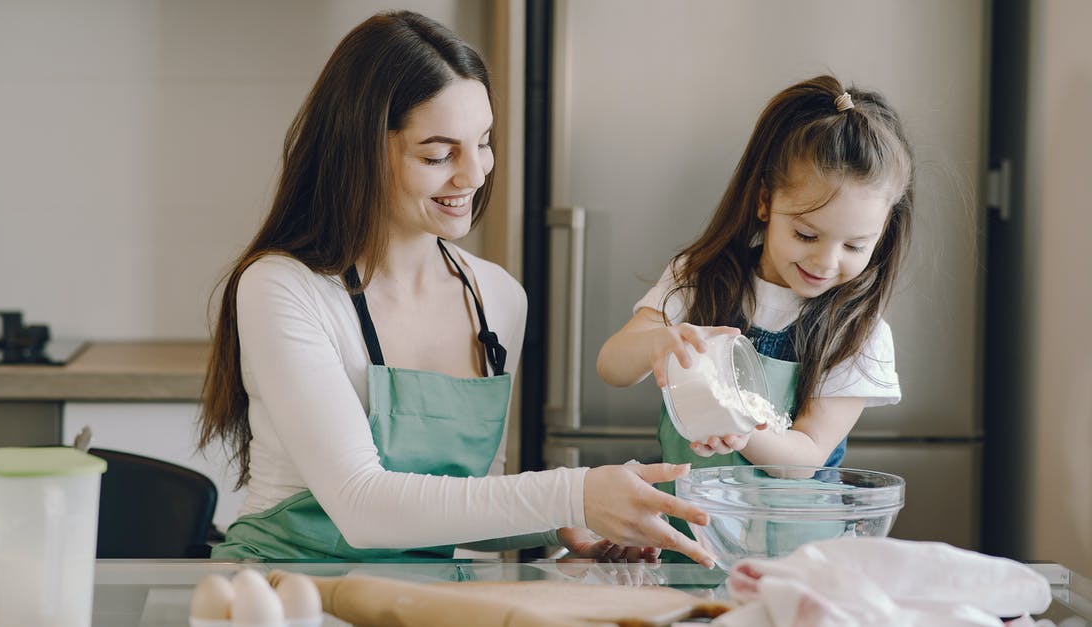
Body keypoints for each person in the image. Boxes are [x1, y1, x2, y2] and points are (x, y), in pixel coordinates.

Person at [197, 10, 714, 566]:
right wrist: (574, 493)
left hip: (418, 598)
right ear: (362, 149)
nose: (474, 174)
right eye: (439, 154)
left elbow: (462, 507)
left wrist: (570, 520)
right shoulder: (283, 288)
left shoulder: (497, 299)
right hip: (282, 593)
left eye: (483, 143)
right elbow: (362, 506)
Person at [597, 75, 913, 547]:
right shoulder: (699, 279)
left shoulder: (860, 333)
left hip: (796, 556)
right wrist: (654, 343)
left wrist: (736, 426)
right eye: (806, 235)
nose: (825, 262)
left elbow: (805, 456)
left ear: (883, 232)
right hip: (685, 540)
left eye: (854, 244)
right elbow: (612, 367)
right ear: (766, 201)